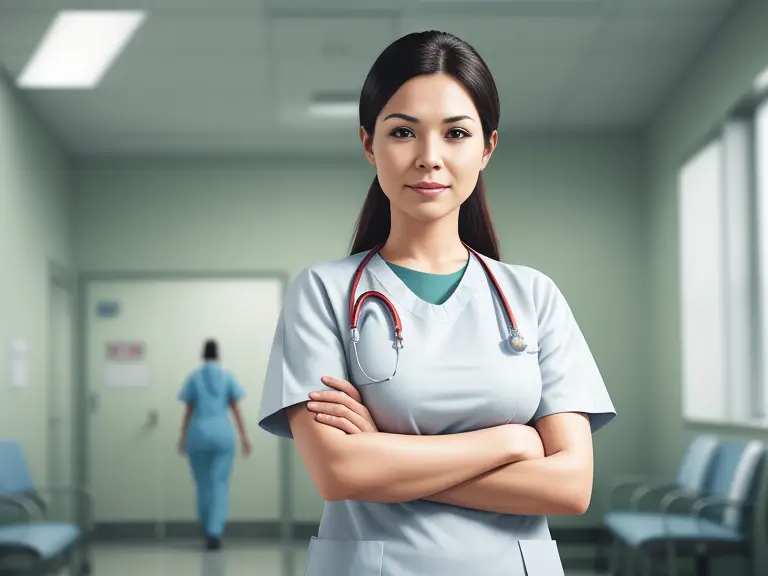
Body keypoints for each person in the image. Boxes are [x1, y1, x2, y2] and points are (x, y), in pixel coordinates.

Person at [257, 30, 616, 576]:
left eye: (455, 133)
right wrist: (513, 439)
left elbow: (570, 487)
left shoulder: (534, 296)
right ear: (368, 144)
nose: (429, 158)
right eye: (403, 132)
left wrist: (387, 456)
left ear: (486, 148)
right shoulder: (323, 293)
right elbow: (340, 474)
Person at [178, 339, 252, 551]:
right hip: (222, 435)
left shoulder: (194, 378)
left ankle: (206, 527)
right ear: (218, 354)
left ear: (203, 355)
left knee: (203, 485)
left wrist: (182, 437)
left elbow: (188, 411)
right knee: (220, 484)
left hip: (198, 436)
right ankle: (214, 532)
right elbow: (236, 409)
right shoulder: (226, 377)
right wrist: (245, 437)